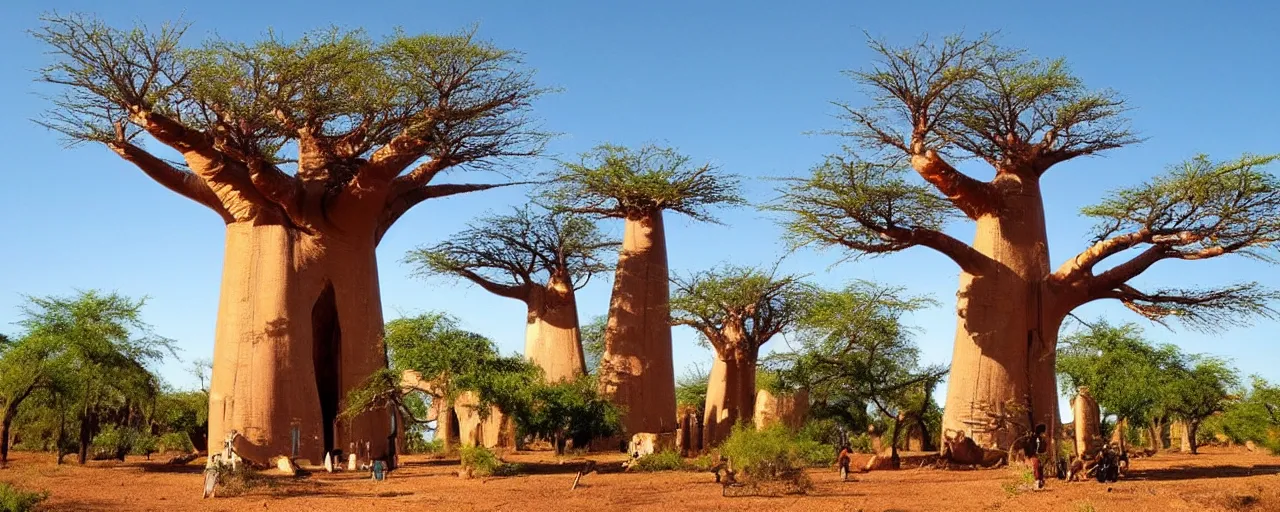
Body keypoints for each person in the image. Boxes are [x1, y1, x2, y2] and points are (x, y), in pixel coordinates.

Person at [1024, 423, 1047, 489]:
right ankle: (1037, 481)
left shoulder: (1039, 438)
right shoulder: (1034, 438)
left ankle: (1040, 481)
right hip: (1032, 454)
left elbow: (1041, 448)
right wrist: (1030, 456)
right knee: (1036, 467)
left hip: (1036, 454)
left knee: (1040, 467)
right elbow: (1031, 447)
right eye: (1043, 432)